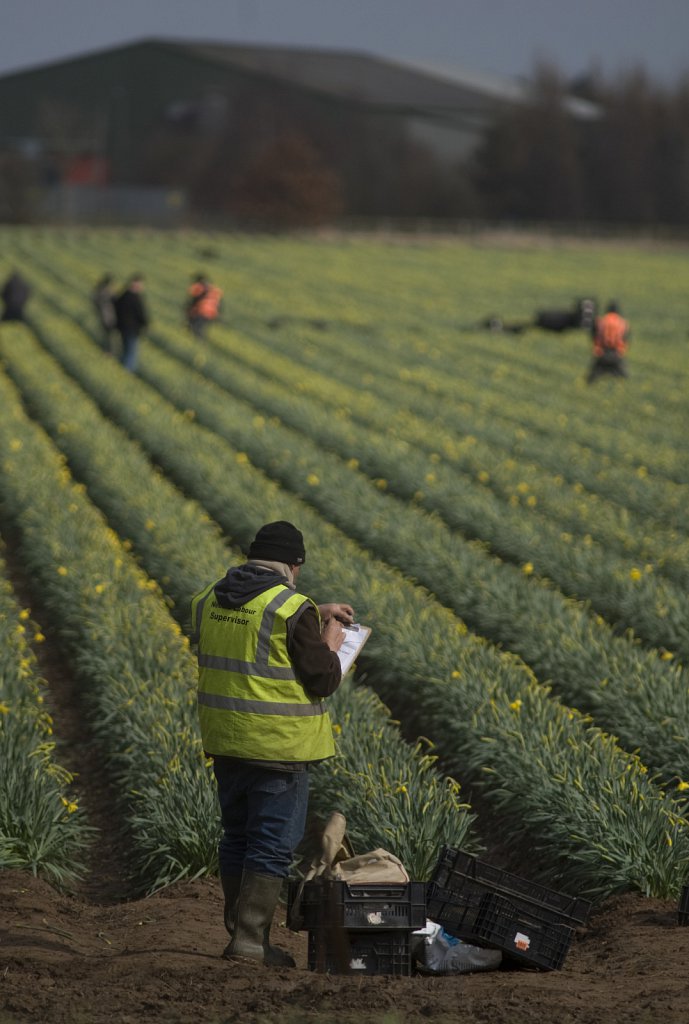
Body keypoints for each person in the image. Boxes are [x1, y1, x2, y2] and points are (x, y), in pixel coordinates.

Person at [190, 521, 353, 968]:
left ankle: (237, 930)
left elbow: (248, 627)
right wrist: (330, 641)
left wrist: (311, 612)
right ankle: (250, 942)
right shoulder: (289, 606)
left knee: (237, 836)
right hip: (278, 748)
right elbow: (322, 677)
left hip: (226, 742)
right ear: (293, 565)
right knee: (271, 843)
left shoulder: (208, 598)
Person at [586, 301, 630, 383]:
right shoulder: (623, 323)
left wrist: (597, 349)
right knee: (624, 379)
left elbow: (594, 335)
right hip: (616, 355)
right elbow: (626, 338)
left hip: (602, 353)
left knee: (591, 379)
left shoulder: (601, 321)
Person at [113, 274, 149, 372]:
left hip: (123, 328)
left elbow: (115, 308)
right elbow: (141, 313)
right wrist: (145, 323)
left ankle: (121, 370)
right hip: (132, 329)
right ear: (136, 285)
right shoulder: (134, 298)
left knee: (125, 350)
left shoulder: (123, 295)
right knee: (130, 352)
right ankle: (127, 371)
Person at [186, 272, 222, 339]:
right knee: (200, 329)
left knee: (195, 329)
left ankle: (197, 343)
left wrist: (189, 310)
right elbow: (219, 304)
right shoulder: (215, 290)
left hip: (201, 311)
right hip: (211, 313)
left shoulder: (200, 287)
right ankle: (200, 342)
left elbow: (194, 300)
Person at [92, 274, 117, 354]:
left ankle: (108, 350)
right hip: (107, 317)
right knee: (109, 336)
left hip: (105, 316)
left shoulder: (99, 291)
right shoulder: (105, 293)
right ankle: (108, 351)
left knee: (107, 336)